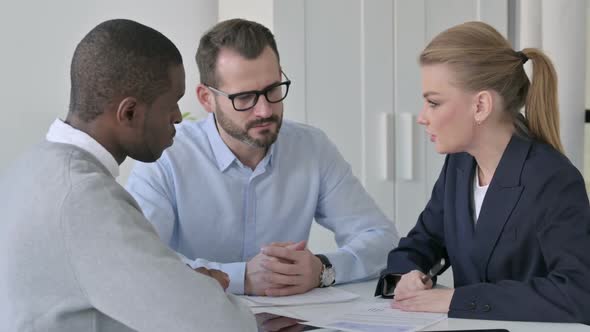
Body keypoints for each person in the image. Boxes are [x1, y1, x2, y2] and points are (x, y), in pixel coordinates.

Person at [0, 19, 256, 331]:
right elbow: (221, 324)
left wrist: (184, 286)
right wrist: (202, 294)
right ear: (129, 113)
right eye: (172, 103)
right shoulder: (84, 198)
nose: (178, 116)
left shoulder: (32, 166)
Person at [126, 18, 399, 296]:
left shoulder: (311, 148)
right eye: (244, 97)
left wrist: (323, 269)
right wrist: (240, 278)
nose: (265, 110)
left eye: (272, 90)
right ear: (207, 98)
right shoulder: (166, 157)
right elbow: (139, 261)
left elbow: (382, 240)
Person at [375, 21, 590, 324]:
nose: (422, 118)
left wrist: (455, 299)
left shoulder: (552, 179)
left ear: (480, 105)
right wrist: (406, 275)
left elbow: (577, 294)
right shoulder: (459, 165)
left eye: (433, 103)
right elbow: (420, 243)